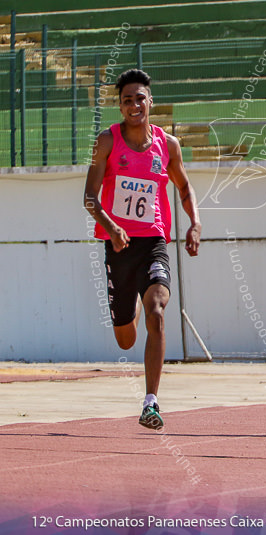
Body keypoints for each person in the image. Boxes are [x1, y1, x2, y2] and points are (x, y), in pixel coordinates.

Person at [83, 68, 201, 430]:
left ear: (151, 101)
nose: (134, 105)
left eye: (140, 98)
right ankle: (128, 305)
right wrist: (112, 227)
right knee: (125, 337)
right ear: (120, 107)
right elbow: (89, 198)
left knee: (158, 311)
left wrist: (195, 223)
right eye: (126, 100)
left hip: (153, 242)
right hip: (117, 245)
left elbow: (184, 187)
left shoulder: (169, 145)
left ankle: (151, 401)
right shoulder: (107, 141)